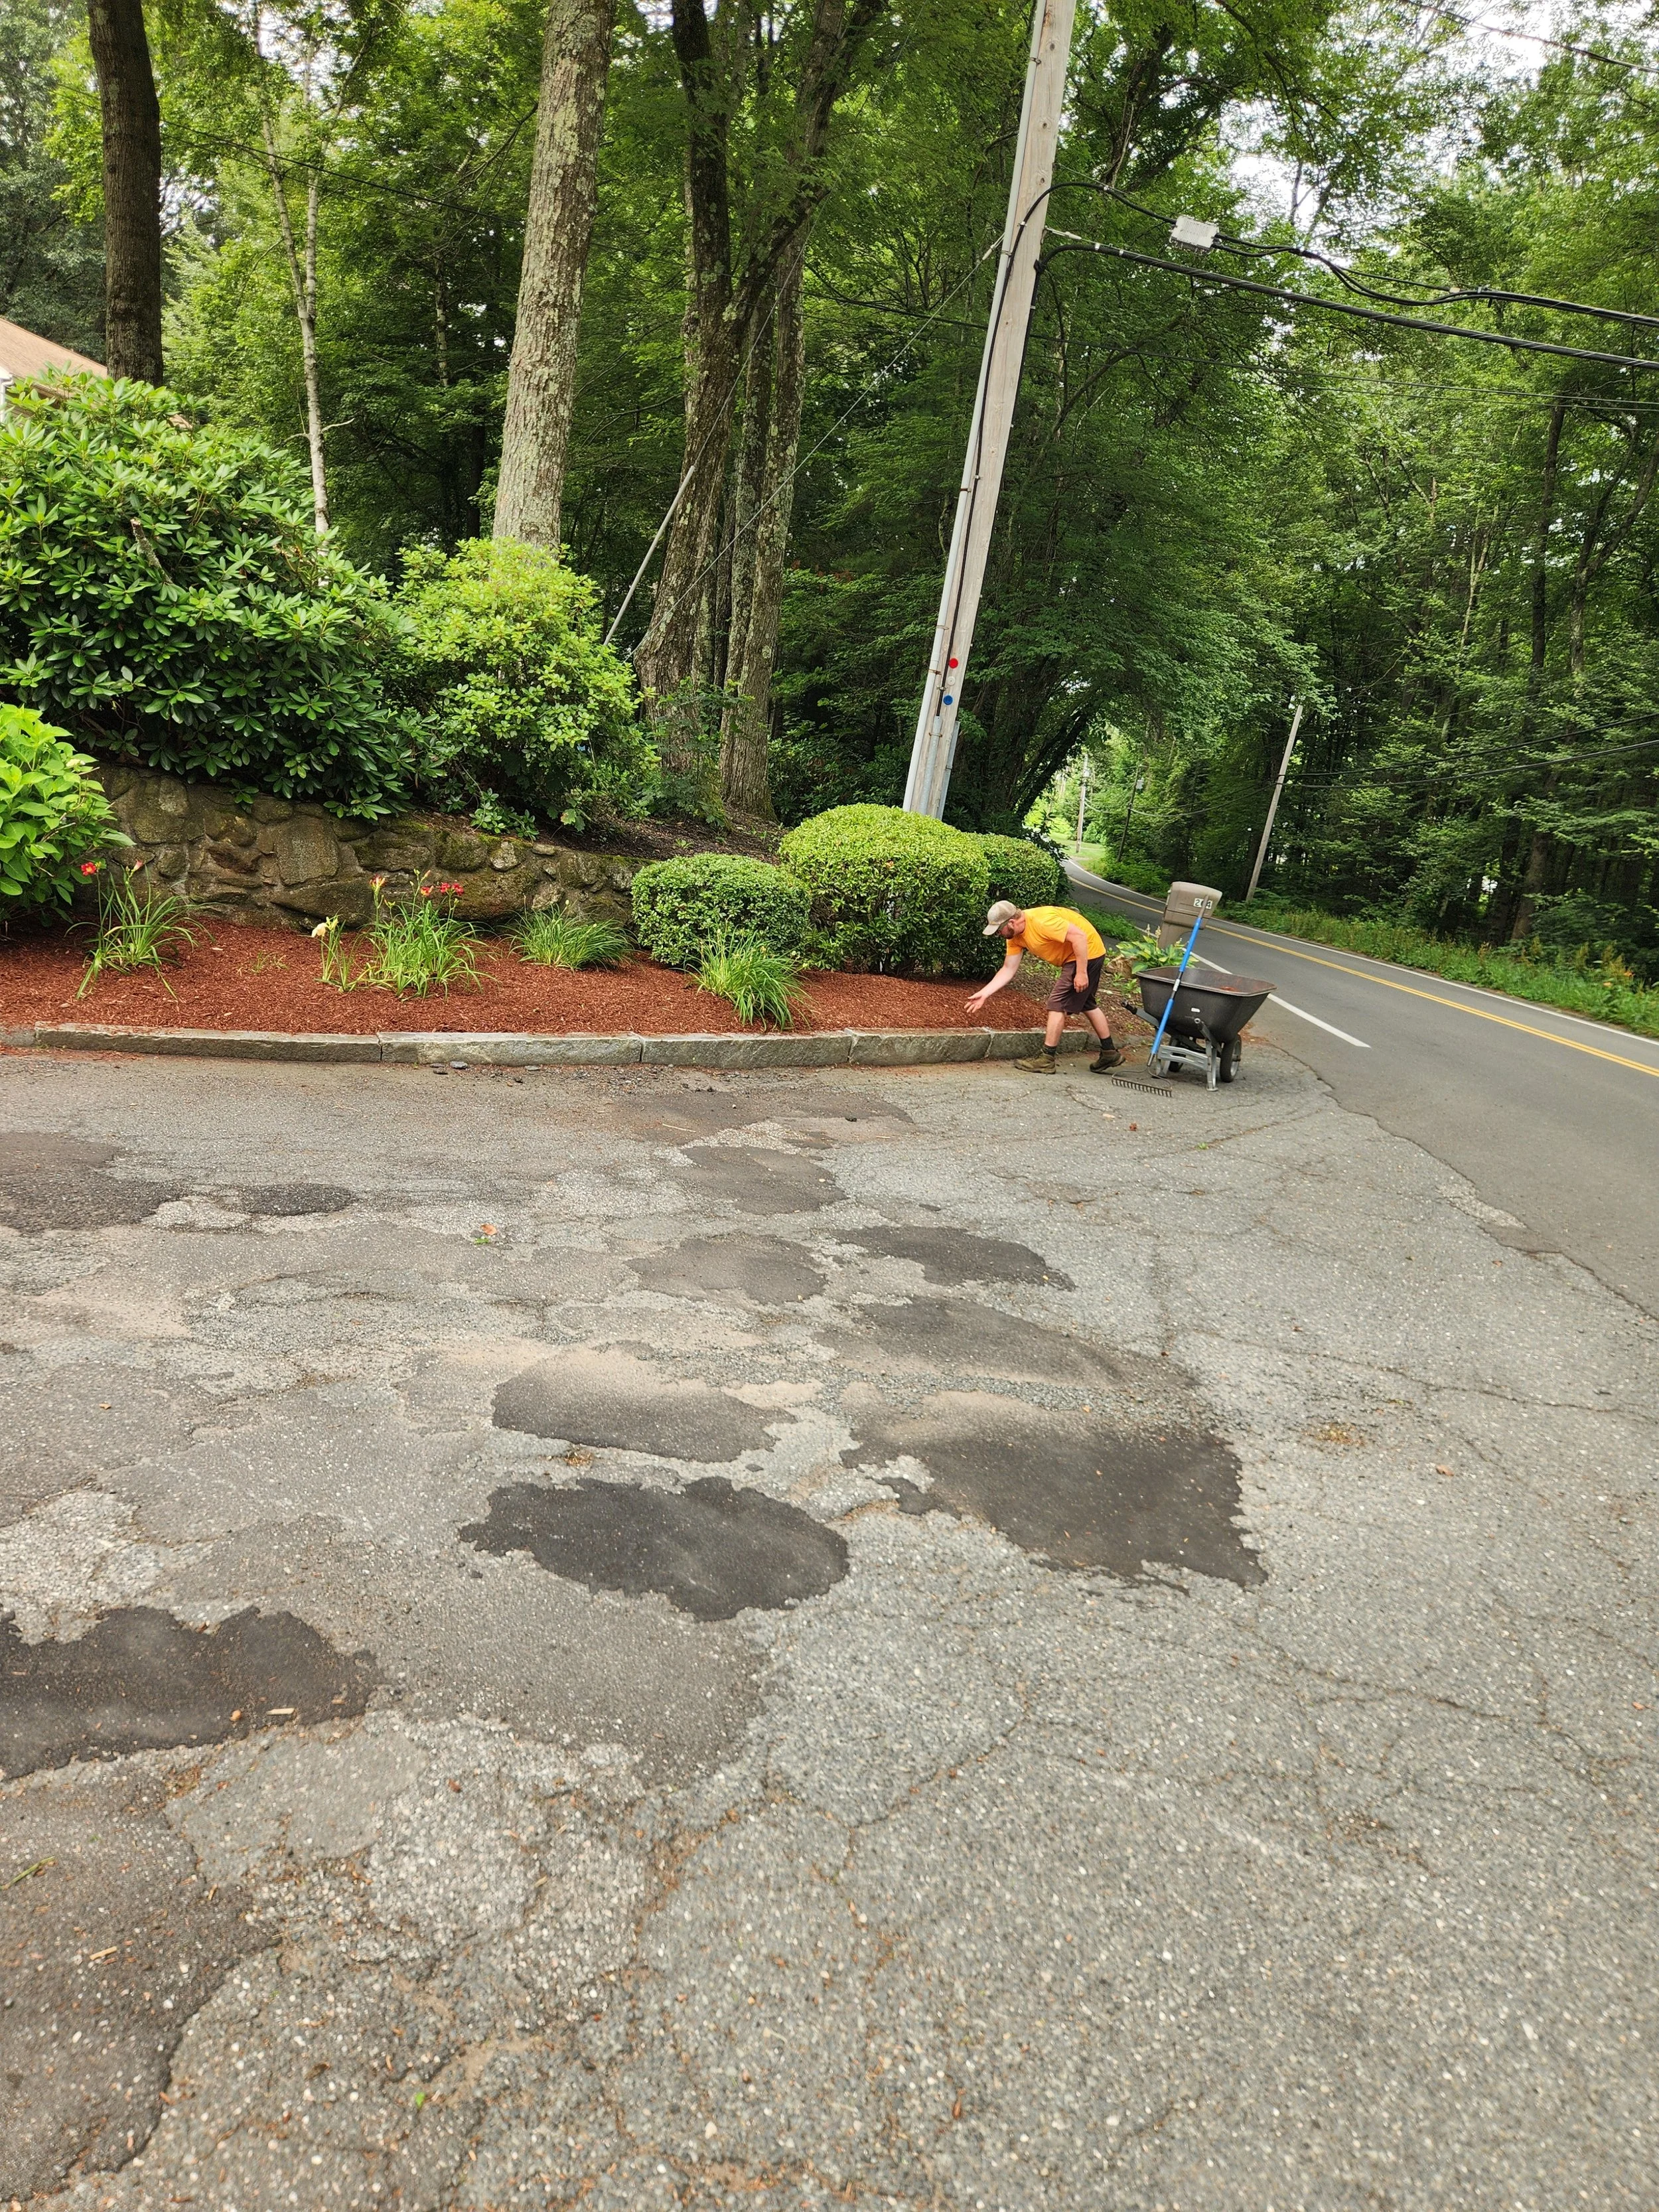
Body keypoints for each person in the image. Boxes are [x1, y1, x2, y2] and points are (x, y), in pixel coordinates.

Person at [966, 899, 1124, 1074]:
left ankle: (1047, 1059)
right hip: (1078, 954)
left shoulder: (1042, 922)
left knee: (1057, 1003)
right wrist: (985, 993)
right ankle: (1109, 1052)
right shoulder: (1015, 936)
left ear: (1011, 922)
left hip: (1086, 952)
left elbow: (1080, 937)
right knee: (1087, 1003)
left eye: (999, 930)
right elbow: (1008, 969)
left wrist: (1081, 972)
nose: (998, 935)